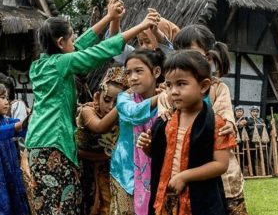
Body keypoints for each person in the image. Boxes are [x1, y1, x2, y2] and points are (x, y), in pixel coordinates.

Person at [25, 0, 160, 214]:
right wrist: (142, 26)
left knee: (49, 205)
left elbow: (80, 46)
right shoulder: (62, 63)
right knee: (62, 205)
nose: (75, 42)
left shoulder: (40, 65)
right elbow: (97, 52)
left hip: (37, 144)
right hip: (53, 144)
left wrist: (109, 17)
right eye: (71, 39)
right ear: (60, 43)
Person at [158, 24, 247, 214]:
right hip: (182, 171)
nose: (184, 58)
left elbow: (225, 119)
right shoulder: (171, 92)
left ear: (207, 57)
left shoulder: (217, 88)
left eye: (190, 52)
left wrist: (229, 125)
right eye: (179, 52)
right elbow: (163, 118)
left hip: (218, 170)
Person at [138, 50, 235, 215]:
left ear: (203, 86)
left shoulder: (215, 123)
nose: (173, 91)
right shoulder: (165, 121)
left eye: (181, 84)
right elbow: (157, 155)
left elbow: (221, 164)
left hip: (199, 200)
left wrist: (185, 176)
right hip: (166, 198)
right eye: (169, 85)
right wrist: (146, 146)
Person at [110, 49, 165, 215]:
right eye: (129, 73)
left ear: (156, 72)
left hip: (157, 172)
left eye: (139, 71)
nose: (133, 78)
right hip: (125, 172)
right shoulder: (124, 99)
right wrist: (162, 97)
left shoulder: (168, 101)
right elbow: (135, 113)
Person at [76, 66, 128, 214]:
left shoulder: (123, 119)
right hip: (83, 170)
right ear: (97, 97)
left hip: (107, 172)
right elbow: (99, 127)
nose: (111, 106)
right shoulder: (87, 112)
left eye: (118, 102)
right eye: (107, 99)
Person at [0, 83, 30, 214]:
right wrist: (18, 126)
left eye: (6, 98)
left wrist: (32, 119)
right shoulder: (9, 125)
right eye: (2, 97)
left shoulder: (7, 120)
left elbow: (24, 128)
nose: (7, 102)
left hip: (12, 176)